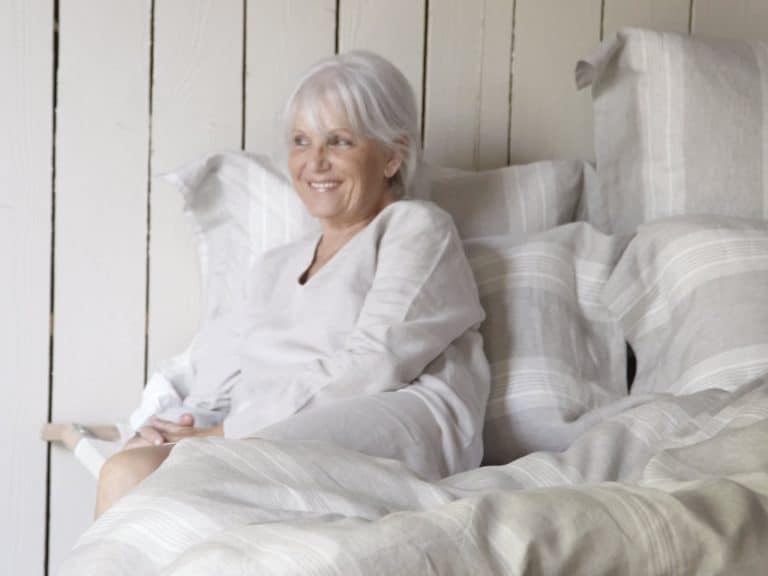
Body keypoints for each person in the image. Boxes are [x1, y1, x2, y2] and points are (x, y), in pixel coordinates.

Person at [95, 51, 490, 517]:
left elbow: (374, 364)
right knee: (127, 466)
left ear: (392, 156)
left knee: (140, 475)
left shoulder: (415, 228)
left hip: (377, 419)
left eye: (339, 141)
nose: (315, 162)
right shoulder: (272, 268)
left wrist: (222, 436)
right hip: (259, 433)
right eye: (301, 141)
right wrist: (174, 429)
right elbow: (220, 379)